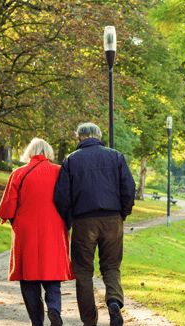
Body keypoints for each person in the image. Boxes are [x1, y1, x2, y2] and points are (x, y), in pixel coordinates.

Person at [53, 122, 136, 326]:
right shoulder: (115, 156)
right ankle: (114, 301)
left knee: (83, 272)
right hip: (112, 218)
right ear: (99, 136)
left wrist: (69, 219)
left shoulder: (71, 160)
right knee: (111, 266)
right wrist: (123, 213)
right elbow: (129, 188)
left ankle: (89, 321)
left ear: (78, 138)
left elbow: (62, 196)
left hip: (83, 220)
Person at [0, 138, 75, 326]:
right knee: (53, 276)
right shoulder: (59, 172)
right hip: (54, 229)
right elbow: (68, 201)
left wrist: (17, 224)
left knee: (28, 279)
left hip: (26, 230)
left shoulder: (18, 173)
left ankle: (36, 321)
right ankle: (54, 310)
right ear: (48, 153)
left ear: (29, 152)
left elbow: (8, 208)